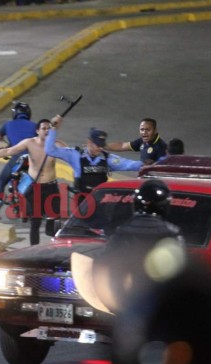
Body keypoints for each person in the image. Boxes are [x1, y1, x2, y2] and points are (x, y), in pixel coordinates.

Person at [93, 179, 184, 315]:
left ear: (136, 203)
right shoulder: (172, 234)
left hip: (127, 305)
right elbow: (182, 272)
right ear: (165, 205)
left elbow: (103, 264)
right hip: (162, 308)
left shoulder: (122, 232)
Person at [0, 118, 60, 245]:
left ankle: (56, 248)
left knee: (54, 222)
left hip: (51, 187)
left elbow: (71, 153)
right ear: (37, 131)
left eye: (49, 128)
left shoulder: (55, 144)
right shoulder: (29, 143)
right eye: (43, 128)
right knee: (35, 223)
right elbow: (8, 151)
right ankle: (33, 253)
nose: (46, 131)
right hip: (36, 188)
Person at [45, 118, 142, 194]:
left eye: (101, 145)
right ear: (89, 142)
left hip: (100, 201)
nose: (100, 148)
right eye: (97, 145)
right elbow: (50, 150)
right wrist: (53, 129)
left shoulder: (107, 159)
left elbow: (130, 164)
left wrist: (150, 164)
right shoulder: (75, 155)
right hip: (82, 203)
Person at [0, 102, 37, 216]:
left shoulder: (7, 124)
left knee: (1, 181)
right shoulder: (35, 125)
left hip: (17, 157)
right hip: (33, 159)